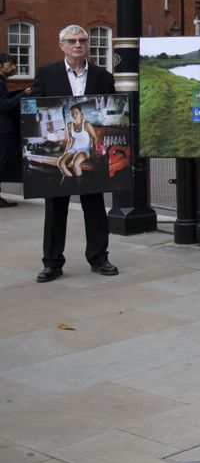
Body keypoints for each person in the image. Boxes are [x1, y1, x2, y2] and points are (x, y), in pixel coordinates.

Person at [32, 25, 118, 282]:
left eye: (82, 40)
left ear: (87, 44)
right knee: (55, 209)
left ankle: (99, 257)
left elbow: (110, 109)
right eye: (72, 41)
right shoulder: (47, 73)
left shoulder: (102, 76)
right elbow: (35, 106)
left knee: (95, 207)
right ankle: (52, 262)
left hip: (89, 151)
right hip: (70, 147)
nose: (77, 44)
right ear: (62, 45)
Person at [0, 53, 25, 207]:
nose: (14, 67)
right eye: (10, 64)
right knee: (1, 162)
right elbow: (4, 105)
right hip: (3, 130)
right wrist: (23, 94)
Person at [57, 104, 98, 179]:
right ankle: (71, 181)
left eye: (76, 113)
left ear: (81, 113)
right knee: (60, 163)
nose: (74, 115)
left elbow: (95, 138)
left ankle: (78, 184)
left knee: (75, 163)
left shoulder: (86, 124)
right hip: (73, 149)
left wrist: (94, 151)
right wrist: (65, 153)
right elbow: (70, 140)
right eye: (72, 114)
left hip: (84, 150)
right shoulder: (69, 125)